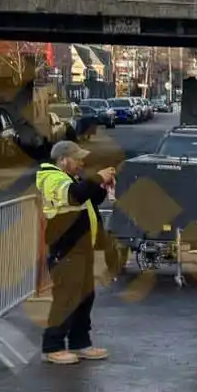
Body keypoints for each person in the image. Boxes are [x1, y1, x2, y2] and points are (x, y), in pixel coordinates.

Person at [36, 140, 117, 365]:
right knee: (67, 298)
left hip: (80, 247)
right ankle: (52, 347)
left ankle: (80, 342)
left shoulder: (71, 178)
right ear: (63, 159)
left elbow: (89, 197)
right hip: (66, 248)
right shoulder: (53, 179)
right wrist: (98, 178)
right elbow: (75, 195)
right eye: (77, 158)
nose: (81, 162)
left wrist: (102, 185)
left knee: (84, 296)